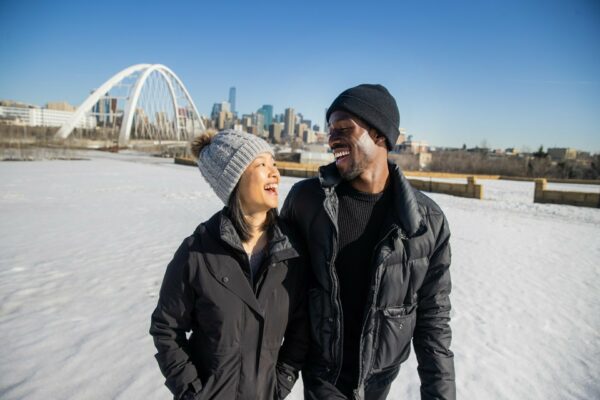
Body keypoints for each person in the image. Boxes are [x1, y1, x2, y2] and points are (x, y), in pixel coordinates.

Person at [281, 84, 455, 400]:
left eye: (344, 129)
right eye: (329, 130)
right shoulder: (306, 202)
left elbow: (433, 319)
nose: (331, 139)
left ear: (380, 135)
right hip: (322, 376)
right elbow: (276, 291)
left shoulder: (426, 221)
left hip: (379, 381)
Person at [150, 129, 308, 400]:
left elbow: (301, 329)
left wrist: (279, 385)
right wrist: (192, 391)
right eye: (261, 165)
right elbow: (166, 329)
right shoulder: (197, 253)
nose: (275, 173)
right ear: (233, 181)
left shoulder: (291, 252)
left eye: (274, 164)